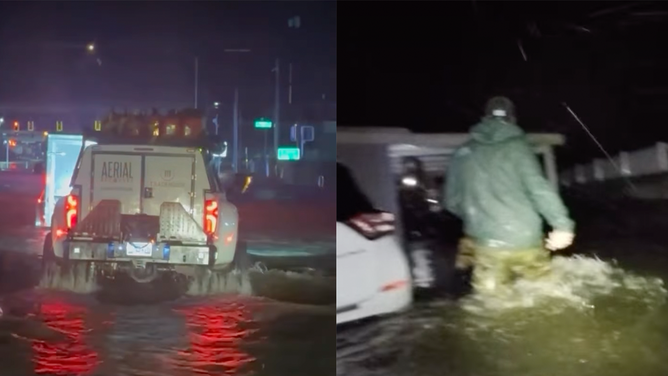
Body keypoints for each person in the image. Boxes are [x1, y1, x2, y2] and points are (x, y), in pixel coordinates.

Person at [444, 96, 575, 295]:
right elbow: (539, 189)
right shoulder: (519, 148)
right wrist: (562, 225)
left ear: (485, 118)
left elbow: (451, 202)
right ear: (512, 119)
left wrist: (480, 216)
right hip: (526, 238)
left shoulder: (463, 153)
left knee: (493, 306)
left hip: (487, 243)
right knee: (546, 297)